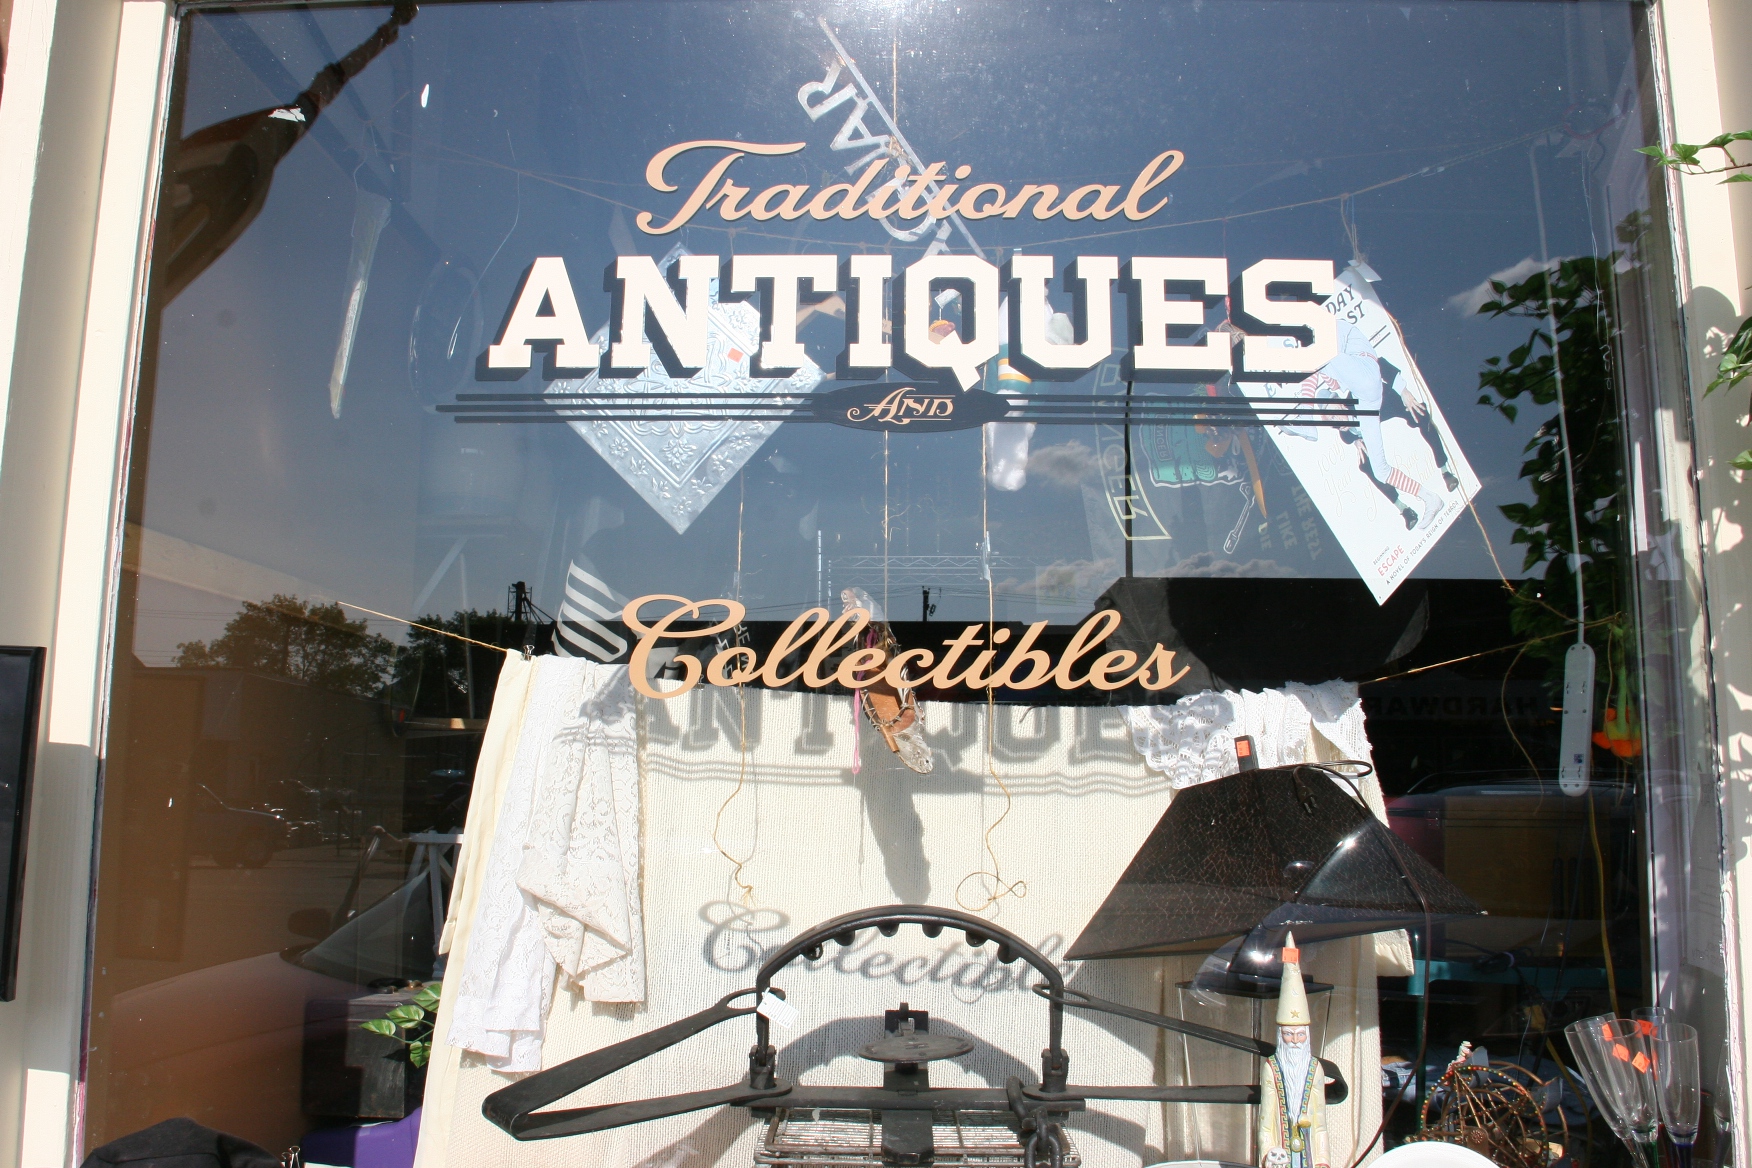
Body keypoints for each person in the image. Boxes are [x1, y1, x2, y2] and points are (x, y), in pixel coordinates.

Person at [1257, 933, 1328, 1168]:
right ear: (1280, 1035)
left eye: (1300, 1035)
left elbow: (1320, 1124)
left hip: (1308, 1155)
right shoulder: (1272, 1068)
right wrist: (1268, 1153)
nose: (1295, 1041)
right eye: (1289, 1034)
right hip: (1281, 1155)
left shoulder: (1314, 1068)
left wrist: (1323, 1161)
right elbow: (1266, 1121)